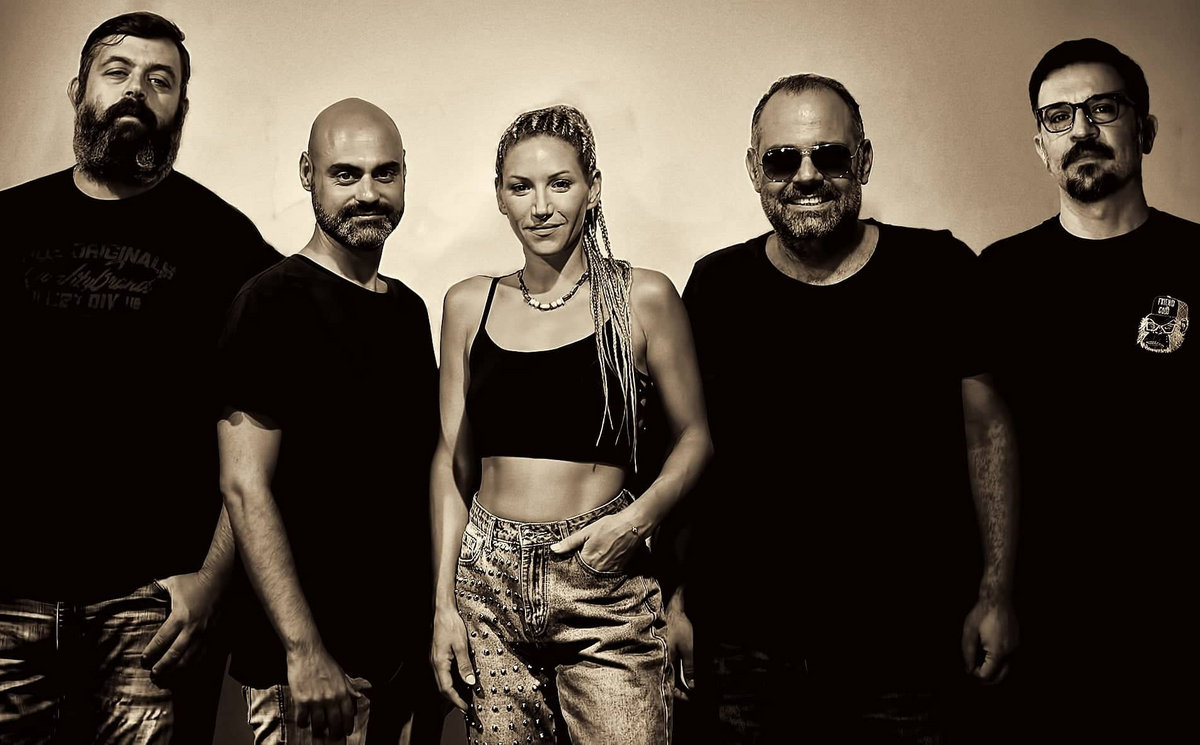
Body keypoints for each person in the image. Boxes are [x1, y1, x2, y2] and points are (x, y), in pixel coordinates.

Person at [671, 74, 1017, 742]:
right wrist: (677, 595)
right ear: (754, 169)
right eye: (782, 159)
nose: (806, 176)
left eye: (828, 155)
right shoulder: (718, 285)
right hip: (748, 648)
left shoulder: (939, 269)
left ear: (864, 159)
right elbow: (692, 449)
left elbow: (988, 433)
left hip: (906, 650)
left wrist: (996, 590)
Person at [0, 12, 279, 743]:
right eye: (117, 72)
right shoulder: (8, 224)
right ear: (78, 90)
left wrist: (213, 579)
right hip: (8, 600)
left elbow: (270, 424)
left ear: (181, 107)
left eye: (161, 81)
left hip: (152, 611)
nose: (136, 91)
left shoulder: (225, 243)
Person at [429, 104, 711, 744]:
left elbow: (696, 438)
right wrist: (443, 605)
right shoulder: (468, 303)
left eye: (560, 183)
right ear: (499, 196)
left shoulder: (642, 297)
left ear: (593, 188)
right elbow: (451, 463)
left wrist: (636, 522)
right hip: (488, 587)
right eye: (520, 187)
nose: (541, 206)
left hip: (601, 579)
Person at [979, 38, 1197, 741]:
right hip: (1046, 617)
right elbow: (982, 442)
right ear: (1041, 146)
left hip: (1181, 617)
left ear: (1145, 129)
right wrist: (994, 591)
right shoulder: (1001, 276)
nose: (1081, 131)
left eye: (1103, 109)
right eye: (1059, 117)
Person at [217, 98, 442, 744]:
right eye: (346, 174)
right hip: (316, 677)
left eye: (384, 173)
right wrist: (303, 648)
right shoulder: (269, 301)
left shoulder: (408, 311)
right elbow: (244, 487)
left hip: (402, 668)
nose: (368, 193)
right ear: (306, 174)